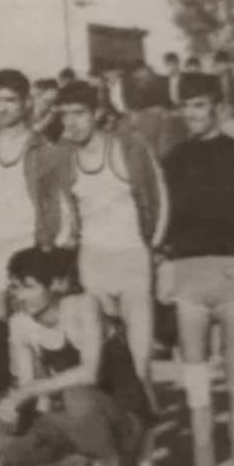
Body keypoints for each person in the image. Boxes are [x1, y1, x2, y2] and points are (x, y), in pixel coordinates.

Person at [161, 74, 234, 466]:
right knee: (197, 387)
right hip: (189, 279)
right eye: (186, 106)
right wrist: (164, 264)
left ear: (217, 106)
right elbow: (163, 220)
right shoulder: (173, 159)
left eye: (199, 105)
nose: (192, 114)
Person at [0, 247, 142, 466]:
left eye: (29, 287)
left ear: (55, 285)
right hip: (79, 418)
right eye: (15, 288)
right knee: (8, 444)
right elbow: (30, 388)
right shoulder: (20, 324)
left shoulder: (83, 306)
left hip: (123, 417)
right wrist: (11, 411)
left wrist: (31, 390)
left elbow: (89, 372)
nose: (21, 296)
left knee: (77, 396)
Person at [54, 80, 167, 409]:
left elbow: (160, 198)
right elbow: (67, 217)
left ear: (98, 113)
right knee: (104, 358)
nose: (71, 122)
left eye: (79, 113)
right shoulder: (64, 158)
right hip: (93, 263)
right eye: (65, 115)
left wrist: (154, 247)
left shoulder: (128, 148)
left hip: (133, 259)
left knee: (140, 360)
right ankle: (118, 432)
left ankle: (145, 429)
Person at [0, 69, 63, 320]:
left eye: (10, 100)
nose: (2, 107)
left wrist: (47, 245)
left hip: (28, 242)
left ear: (27, 102)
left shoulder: (45, 150)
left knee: (28, 323)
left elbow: (54, 204)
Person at [30, 78, 63, 143]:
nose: (52, 107)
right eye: (47, 102)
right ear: (36, 97)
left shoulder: (56, 118)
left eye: (55, 102)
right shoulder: (23, 116)